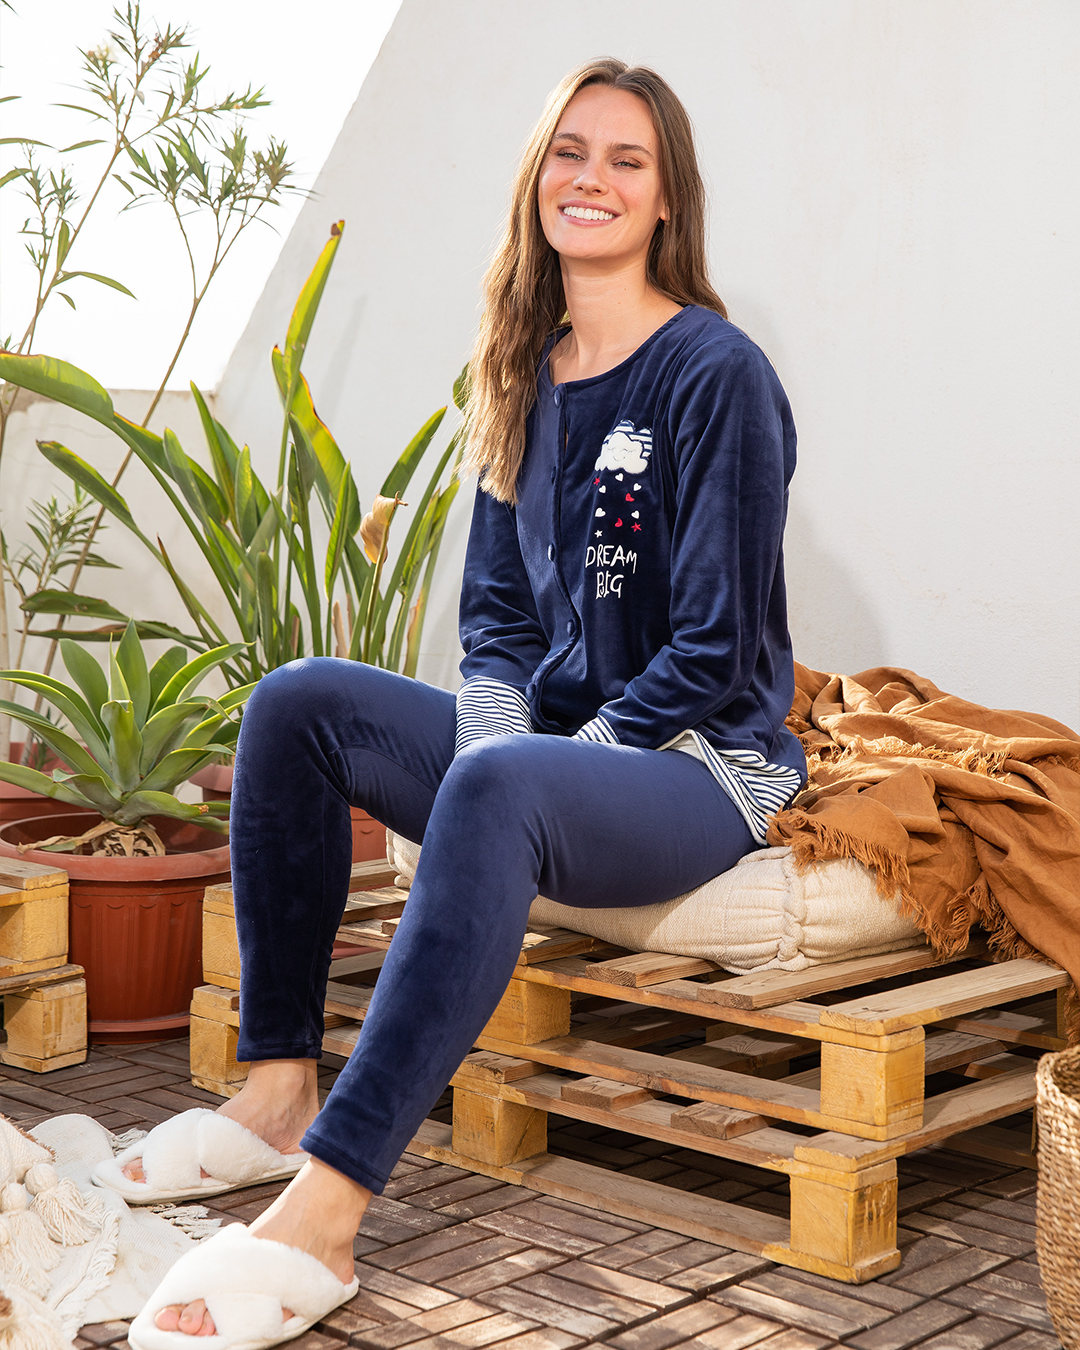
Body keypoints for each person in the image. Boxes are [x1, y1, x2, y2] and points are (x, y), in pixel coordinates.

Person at [124, 56, 806, 1346]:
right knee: (294, 703)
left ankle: (324, 1216)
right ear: (536, 181)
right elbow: (492, 621)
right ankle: (276, 1092)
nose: (591, 179)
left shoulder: (716, 373)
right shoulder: (519, 374)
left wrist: (557, 762)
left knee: (504, 782)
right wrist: (501, 729)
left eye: (627, 159)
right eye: (569, 152)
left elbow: (717, 653)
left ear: (668, 201)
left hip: (702, 763)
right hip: (547, 757)